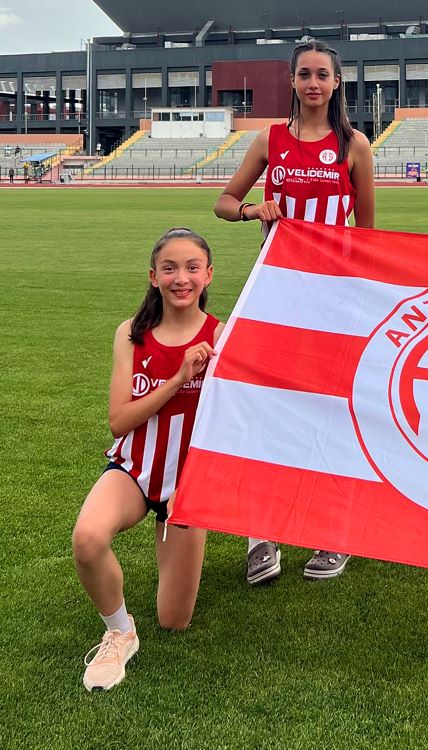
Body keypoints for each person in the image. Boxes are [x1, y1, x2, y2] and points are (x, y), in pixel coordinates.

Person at [214, 39, 374, 585]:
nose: (313, 83)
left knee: (330, 410)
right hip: (275, 296)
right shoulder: (270, 139)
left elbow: (367, 235)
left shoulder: (355, 146)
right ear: (292, 80)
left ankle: (334, 534)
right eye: (304, 74)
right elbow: (223, 203)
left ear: (336, 82)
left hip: (332, 300)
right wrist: (253, 209)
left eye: (322, 74)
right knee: (263, 406)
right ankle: (261, 535)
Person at [72, 228, 223, 692]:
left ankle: (179, 539)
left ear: (209, 275)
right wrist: (178, 378)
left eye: (192, 268)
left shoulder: (222, 336)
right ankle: (119, 632)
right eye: (170, 268)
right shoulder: (131, 334)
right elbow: (119, 421)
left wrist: (201, 487)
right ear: (154, 277)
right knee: (87, 539)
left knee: (174, 620)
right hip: (135, 471)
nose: (182, 278)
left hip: (188, 487)